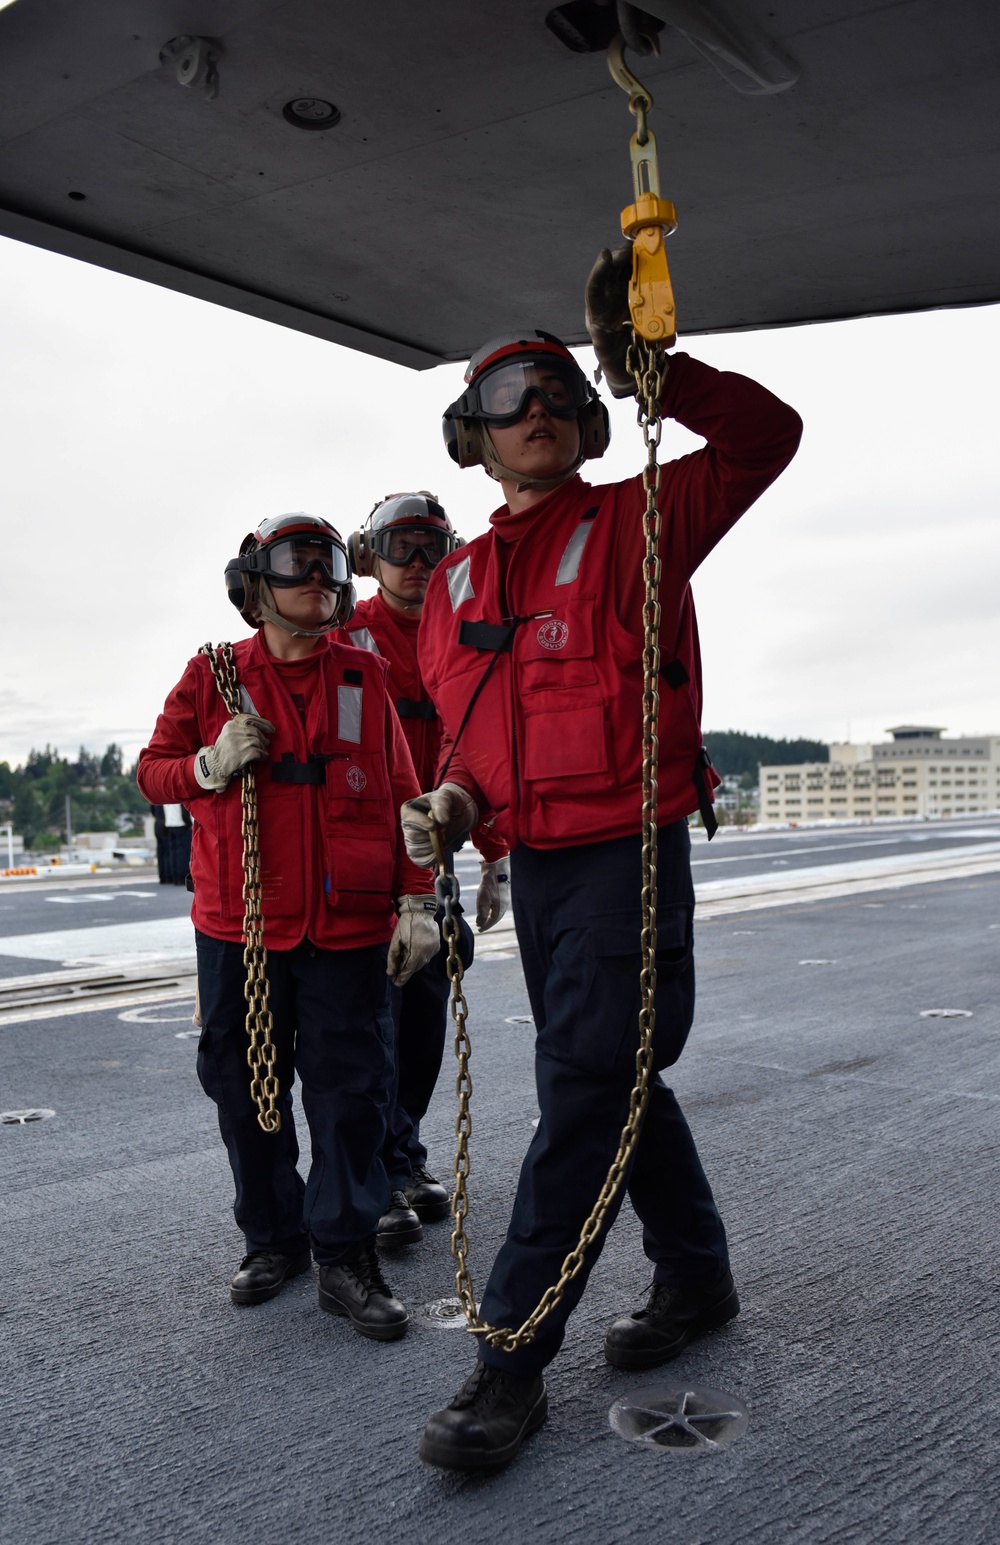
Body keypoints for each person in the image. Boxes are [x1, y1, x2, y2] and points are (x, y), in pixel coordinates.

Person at [401, 258, 803, 1469]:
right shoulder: (454, 583)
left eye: (557, 389)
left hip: (628, 858)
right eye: (511, 393)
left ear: (581, 423)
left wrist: (653, 371)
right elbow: (469, 728)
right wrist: (457, 798)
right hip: (540, 874)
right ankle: (696, 1278)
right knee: (616, 1082)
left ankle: (507, 1365)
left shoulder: (638, 519)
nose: (536, 404)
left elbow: (766, 437)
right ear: (474, 439)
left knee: (585, 1092)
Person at [137, 512, 440, 1342]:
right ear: (255, 587)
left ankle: (346, 1256)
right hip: (240, 928)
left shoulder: (364, 677)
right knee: (245, 1091)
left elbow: (402, 796)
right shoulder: (212, 677)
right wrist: (208, 762)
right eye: (295, 563)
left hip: (345, 930)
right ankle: (272, 1240)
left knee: (352, 1096)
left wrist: (420, 899)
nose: (316, 576)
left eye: (328, 564)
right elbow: (152, 772)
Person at [343, 493, 510, 1248]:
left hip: (430, 870)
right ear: (369, 556)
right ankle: (374, 1173)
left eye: (431, 547)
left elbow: (486, 749)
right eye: (400, 547)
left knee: (419, 1030)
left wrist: (495, 859)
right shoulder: (346, 638)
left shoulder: (468, 639)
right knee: (365, 1031)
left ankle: (401, 1152)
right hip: (355, 876)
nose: (417, 565)